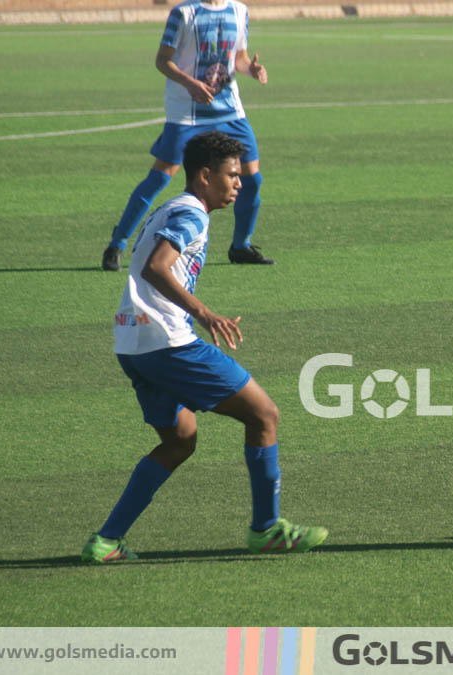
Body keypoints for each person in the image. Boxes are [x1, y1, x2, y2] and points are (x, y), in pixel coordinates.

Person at [82, 131, 325, 563]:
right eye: (232, 175)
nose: (239, 183)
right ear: (205, 174)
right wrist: (204, 313)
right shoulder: (191, 213)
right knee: (264, 414)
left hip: (132, 342)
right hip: (169, 344)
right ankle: (267, 529)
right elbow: (158, 267)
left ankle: (106, 541)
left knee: (180, 440)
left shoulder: (172, 207)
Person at [102, 0, 275, 271]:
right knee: (160, 176)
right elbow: (162, 61)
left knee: (251, 178)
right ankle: (117, 243)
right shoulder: (183, 13)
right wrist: (190, 84)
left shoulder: (240, 11)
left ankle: (241, 246)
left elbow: (238, 58)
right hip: (186, 111)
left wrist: (250, 69)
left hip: (229, 110)